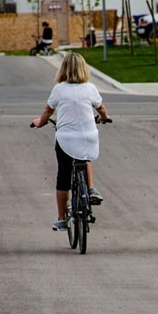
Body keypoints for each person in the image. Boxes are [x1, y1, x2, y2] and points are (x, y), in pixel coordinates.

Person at [31, 52, 110, 231]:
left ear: (63, 69)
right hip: (88, 136)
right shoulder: (90, 88)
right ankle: (91, 189)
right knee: (84, 157)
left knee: (63, 176)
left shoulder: (59, 89)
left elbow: (48, 110)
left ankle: (61, 218)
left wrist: (39, 123)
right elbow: (101, 108)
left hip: (66, 138)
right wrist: (104, 117)